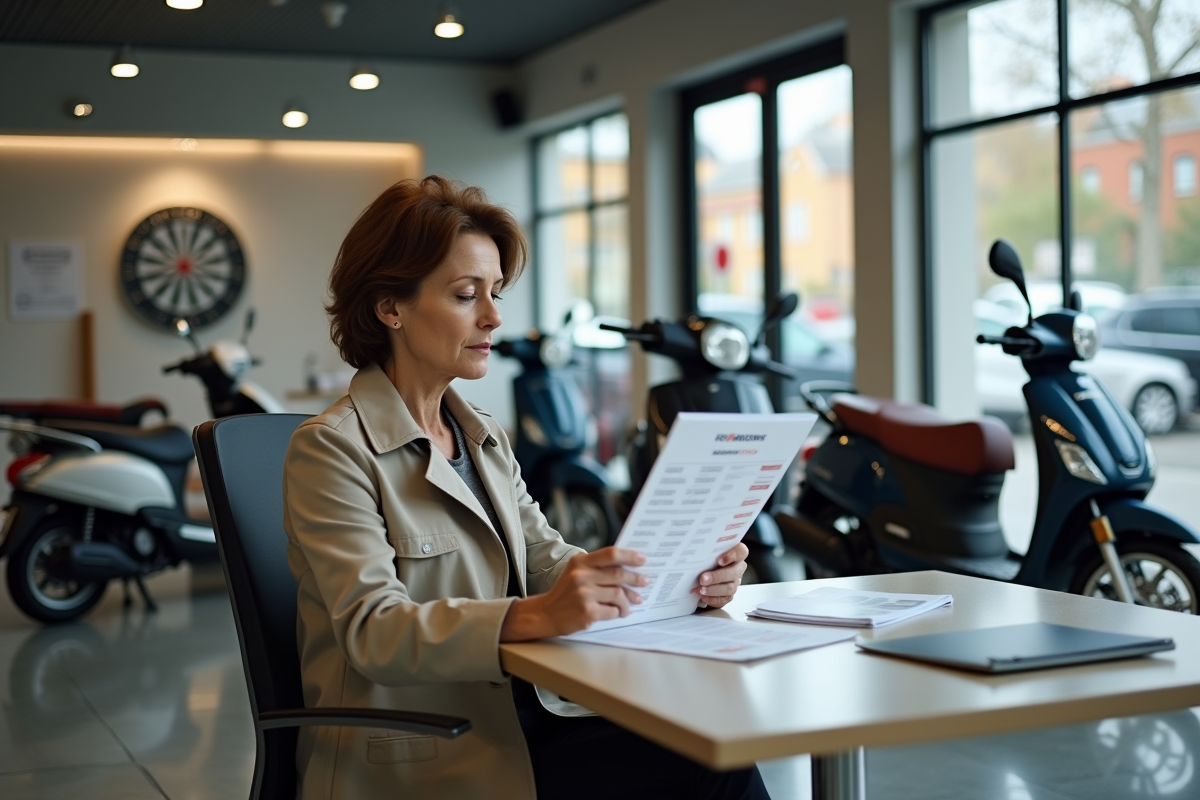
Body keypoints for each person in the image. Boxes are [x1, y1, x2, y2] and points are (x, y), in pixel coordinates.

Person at [283, 176, 770, 800]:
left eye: (495, 293)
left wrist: (674, 578)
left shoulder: (481, 434)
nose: (493, 317)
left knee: (717, 744)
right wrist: (539, 614)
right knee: (708, 763)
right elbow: (375, 633)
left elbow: (546, 559)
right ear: (389, 307)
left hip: (524, 719)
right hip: (427, 752)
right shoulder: (331, 449)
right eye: (466, 295)